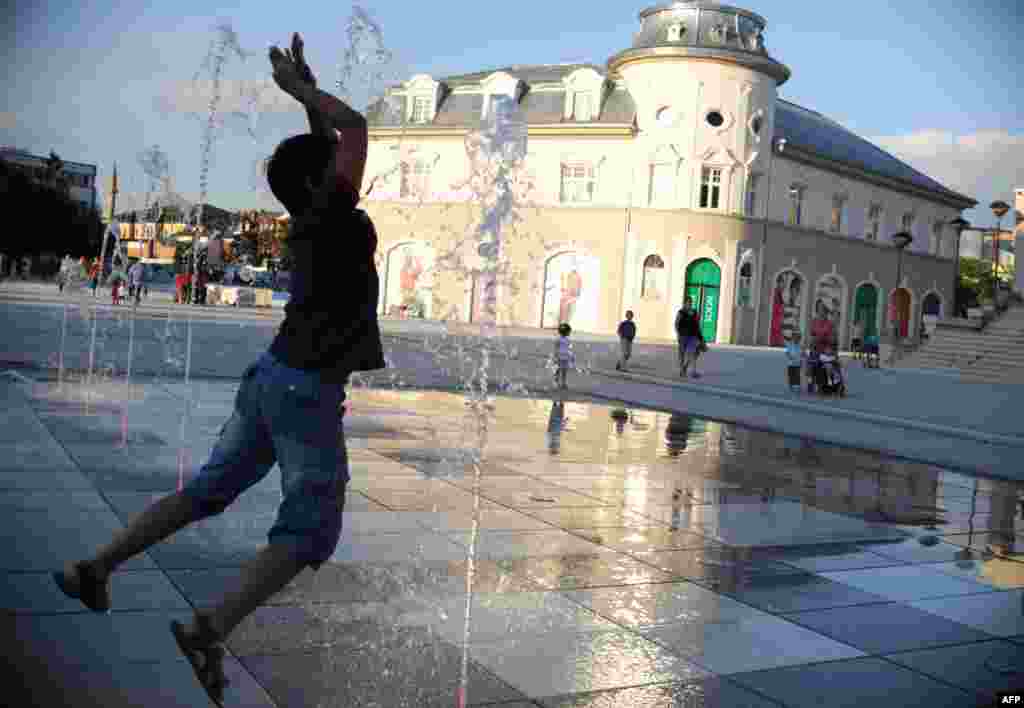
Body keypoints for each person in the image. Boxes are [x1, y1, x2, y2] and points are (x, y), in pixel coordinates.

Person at [53, 33, 385, 706]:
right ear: (323, 181)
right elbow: (353, 126)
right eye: (334, 163)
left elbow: (332, 140)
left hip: (269, 380)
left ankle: (96, 566)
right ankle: (210, 628)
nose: (349, 161)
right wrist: (300, 94)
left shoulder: (309, 212)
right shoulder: (329, 212)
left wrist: (308, 105)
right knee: (311, 531)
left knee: (206, 493)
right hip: (304, 391)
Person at [675, 296, 705, 379]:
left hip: (693, 336)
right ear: (684, 303)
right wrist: (678, 334)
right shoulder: (681, 312)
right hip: (683, 336)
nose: (689, 304)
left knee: (693, 353)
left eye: (690, 303)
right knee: (682, 354)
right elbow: (676, 323)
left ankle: (692, 372)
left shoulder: (694, 312)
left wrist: (701, 338)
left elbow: (697, 325)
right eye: (688, 303)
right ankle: (682, 370)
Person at [553, 322, 574, 390]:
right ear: (566, 332)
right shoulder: (559, 339)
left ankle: (563, 383)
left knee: (564, 370)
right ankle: (556, 382)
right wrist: (555, 356)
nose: (569, 333)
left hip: (565, 357)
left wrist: (571, 356)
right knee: (558, 370)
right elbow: (556, 348)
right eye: (569, 331)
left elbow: (569, 348)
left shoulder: (567, 340)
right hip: (560, 357)